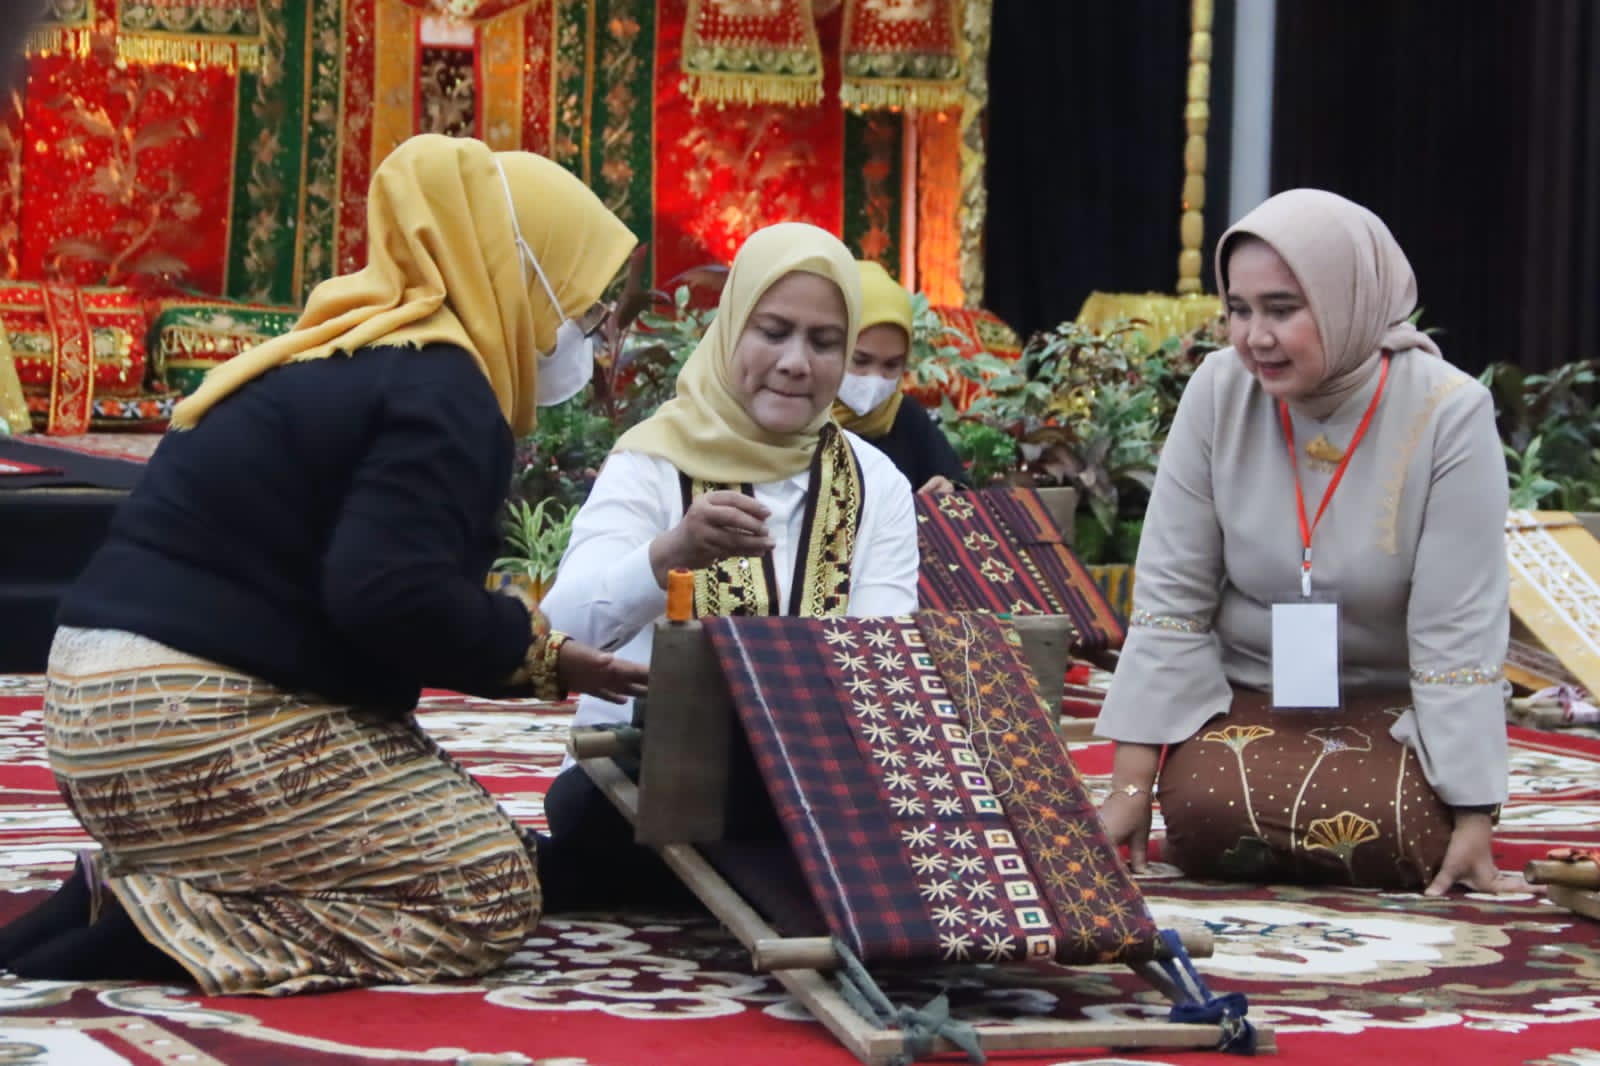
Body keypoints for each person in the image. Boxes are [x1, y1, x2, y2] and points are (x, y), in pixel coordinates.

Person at [0, 134, 649, 993]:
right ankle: (143, 928)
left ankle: (119, 891)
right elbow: (388, 595)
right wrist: (539, 655)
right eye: (582, 296)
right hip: (190, 718)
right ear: (520, 267)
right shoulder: (446, 387)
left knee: (450, 827)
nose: (591, 330)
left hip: (105, 706)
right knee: (485, 892)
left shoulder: (341, 353)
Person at [1095, 188, 1522, 896]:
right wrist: (1132, 789)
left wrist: (1474, 814)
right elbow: (1173, 597)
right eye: (1238, 309)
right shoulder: (1217, 392)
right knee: (1202, 816)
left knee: (1392, 831)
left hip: (1396, 710)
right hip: (1252, 697)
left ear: (1348, 297)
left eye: (1282, 309)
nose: (1254, 336)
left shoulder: (1449, 413)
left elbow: (1459, 628)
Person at [537, 222, 920, 910]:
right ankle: (787, 886)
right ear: (731, 329)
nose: (797, 362)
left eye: (825, 342)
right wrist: (668, 556)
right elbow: (560, 629)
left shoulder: (875, 483)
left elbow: (880, 654)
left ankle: (752, 880)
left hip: (813, 789)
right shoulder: (652, 462)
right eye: (772, 331)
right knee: (594, 809)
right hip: (645, 781)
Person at [831, 259, 969, 494]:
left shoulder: (905, 417)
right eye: (860, 360)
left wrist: (949, 489)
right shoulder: (797, 415)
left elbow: (958, 485)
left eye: (892, 365)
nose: (874, 378)